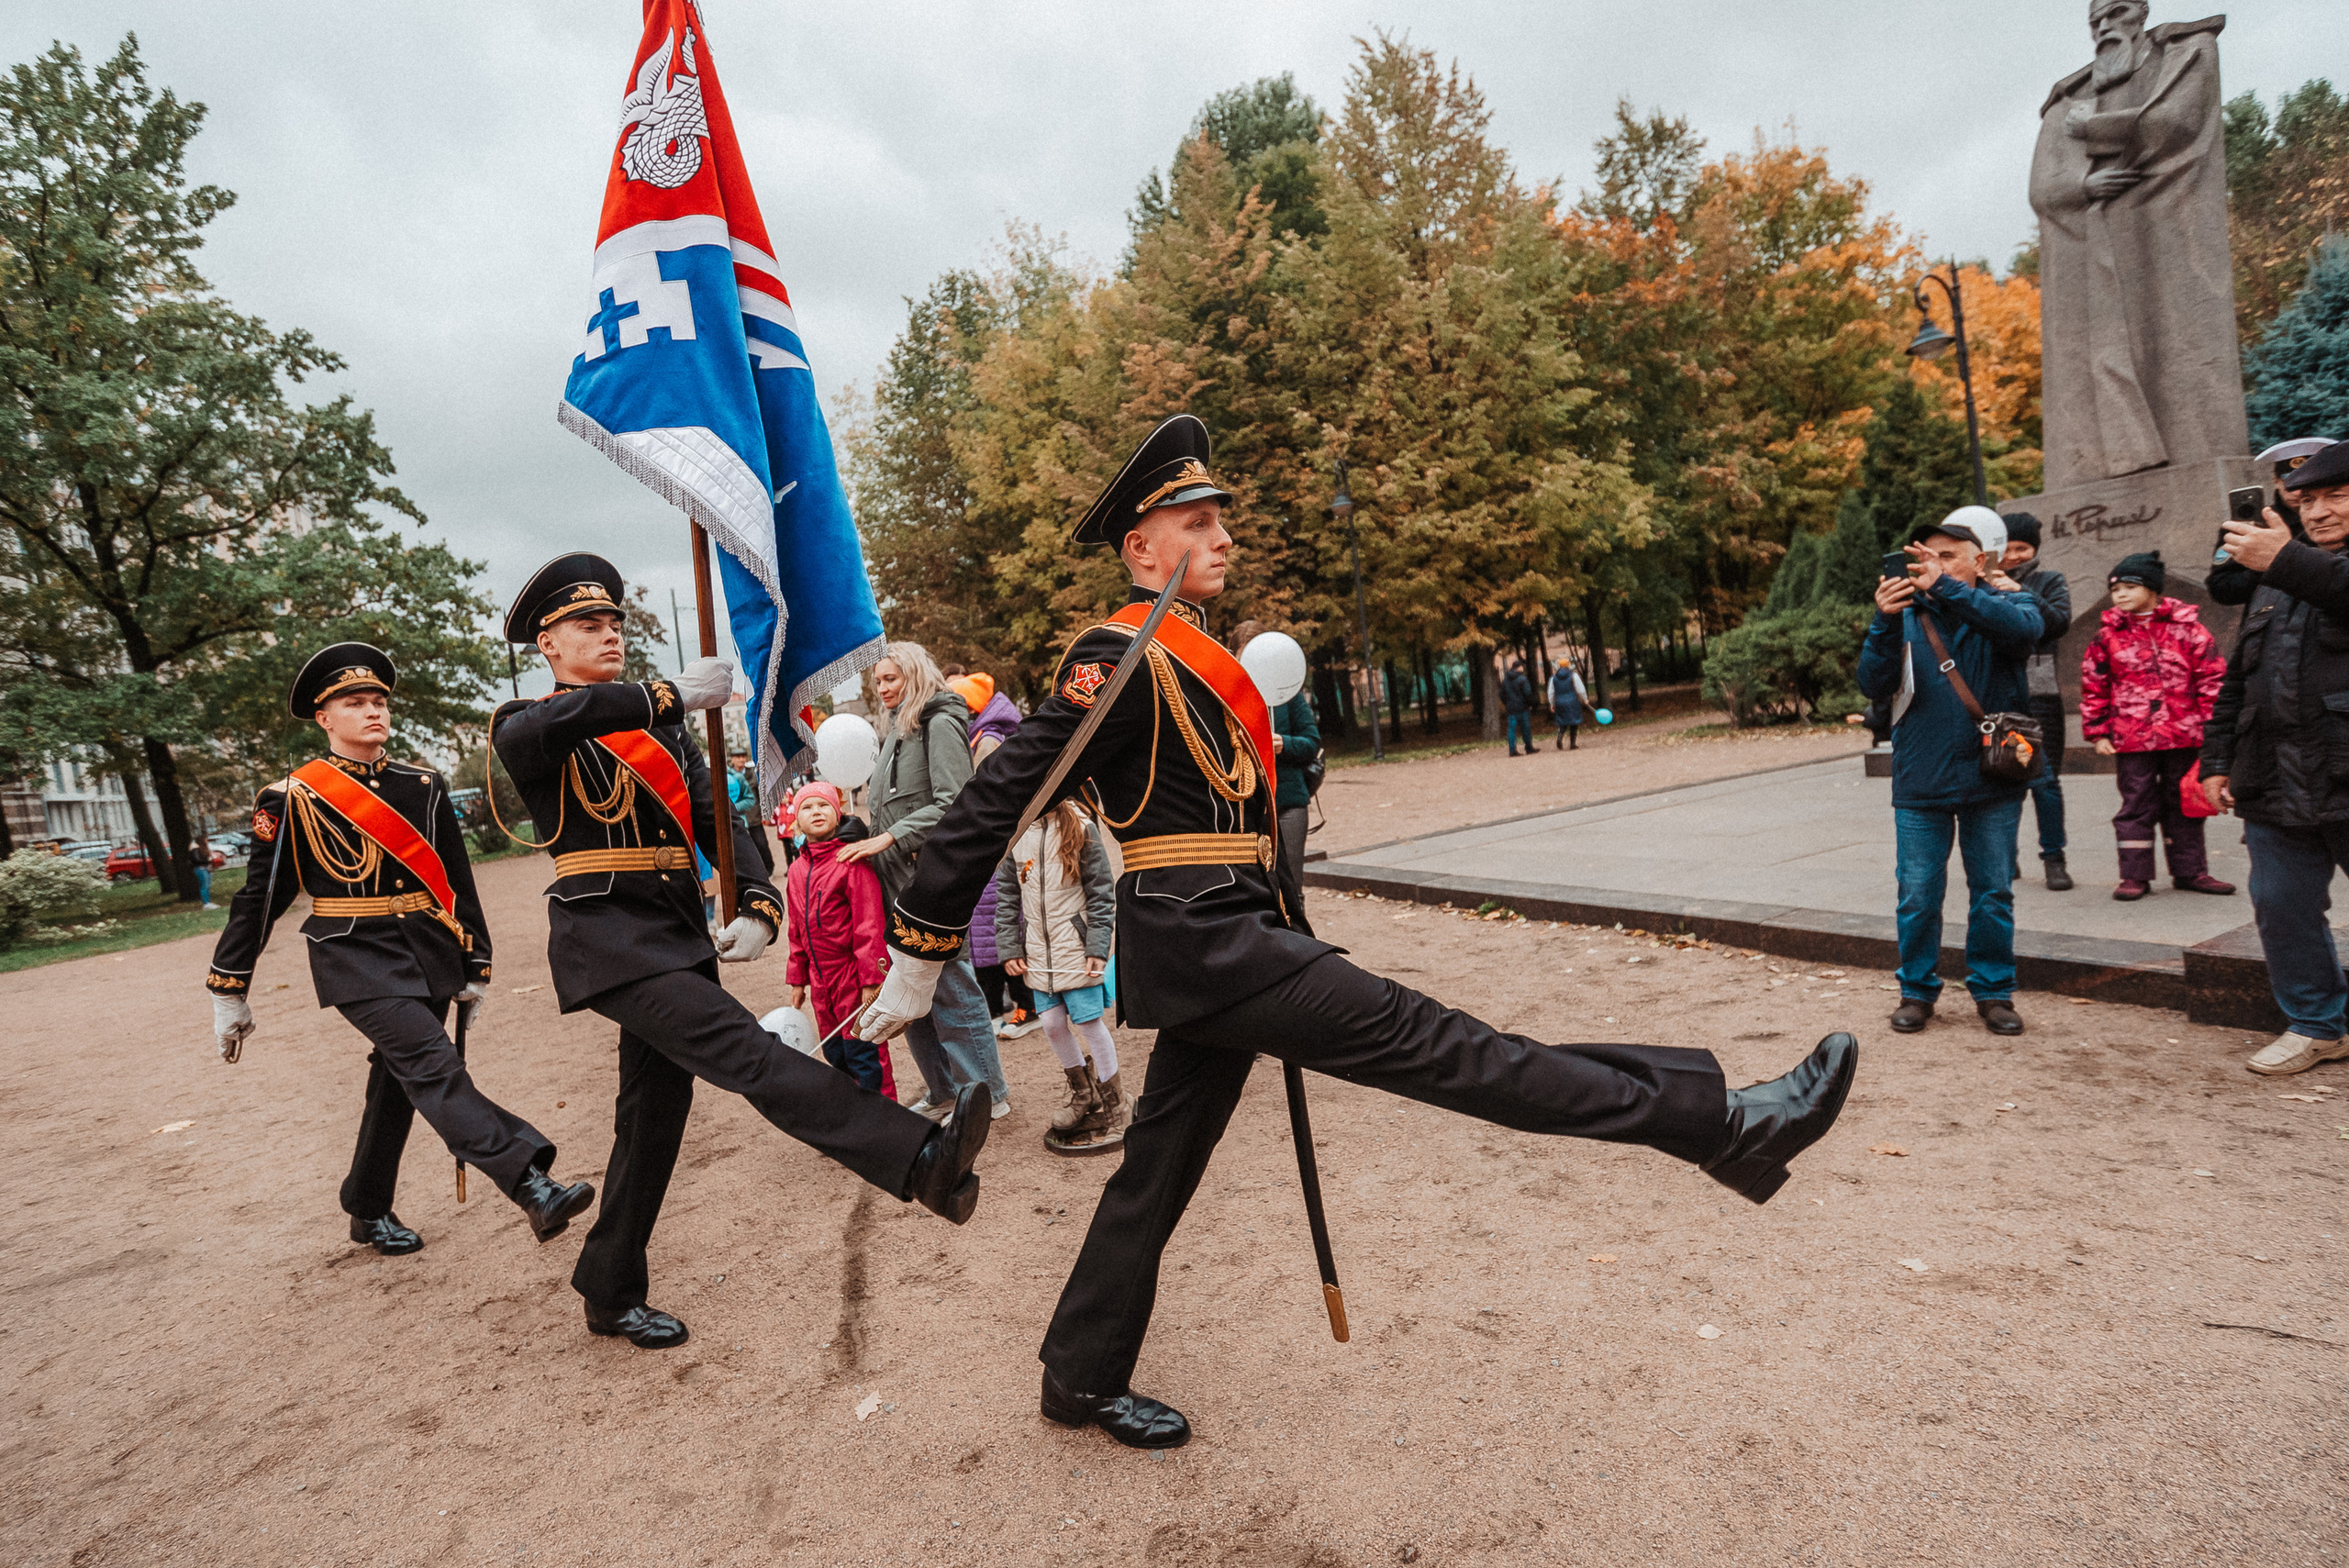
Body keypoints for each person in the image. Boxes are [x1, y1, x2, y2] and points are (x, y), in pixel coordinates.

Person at [854, 416, 1856, 1450]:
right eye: (1196, 522)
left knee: (1155, 1169)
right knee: (1458, 1050)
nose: (1223, 537)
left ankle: (1078, 1373)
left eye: (1221, 520)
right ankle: (1720, 1121)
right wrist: (921, 946)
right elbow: (1002, 795)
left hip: (1228, 939)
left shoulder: (1185, 657)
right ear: (1141, 550)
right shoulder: (1117, 656)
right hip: (1213, 945)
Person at [488, 555, 991, 1349]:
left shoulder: (658, 726)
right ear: (548, 645)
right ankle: (918, 1155)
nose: (610, 634)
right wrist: (667, 693)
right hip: (610, 942)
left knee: (651, 1117)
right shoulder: (527, 721)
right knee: (747, 1055)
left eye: (617, 623)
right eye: (590, 625)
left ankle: (609, 1284)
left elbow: (718, 809)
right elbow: (549, 727)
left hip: (675, 934)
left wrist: (756, 897)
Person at [206, 642, 596, 1256]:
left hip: (427, 950)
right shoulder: (290, 797)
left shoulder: (423, 784)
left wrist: (476, 962)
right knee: (433, 1065)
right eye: (354, 703)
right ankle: (529, 1181)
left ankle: (367, 1205)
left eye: (379, 701)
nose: (372, 711)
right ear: (324, 718)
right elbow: (259, 898)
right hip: (354, 955)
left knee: (398, 1081)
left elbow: (456, 879)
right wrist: (228, 986)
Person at [1857, 517, 2048, 1038]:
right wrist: (1881, 621)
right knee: (1917, 891)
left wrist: (1942, 586)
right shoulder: (1905, 614)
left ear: (1979, 561)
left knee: (1992, 891)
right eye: (1925, 558)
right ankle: (1916, 991)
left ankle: (1993, 991)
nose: (1932, 566)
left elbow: (2024, 634)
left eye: (1946, 557)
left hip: (1994, 777)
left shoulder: (2012, 603)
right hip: (1921, 776)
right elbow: (1872, 684)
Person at [2199, 439, 2349, 1075]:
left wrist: (2285, 559)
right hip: (2275, 779)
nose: (2317, 510)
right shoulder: (2275, 579)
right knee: (2281, 905)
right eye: (2306, 498)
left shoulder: (2292, 568)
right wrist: (2217, 758)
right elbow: (2238, 678)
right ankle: (2317, 1023)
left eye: (2335, 495)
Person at [837, 641, 1011, 1121]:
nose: (882, 688)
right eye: (878, 682)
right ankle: (942, 1090)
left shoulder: (940, 721)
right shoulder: (896, 729)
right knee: (905, 993)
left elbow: (955, 800)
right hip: (893, 884)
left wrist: (891, 836)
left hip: (928, 881)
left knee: (952, 987)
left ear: (913, 674)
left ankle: (986, 1094)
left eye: (890, 679)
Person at [2078, 550, 2233, 901]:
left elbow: (2212, 680)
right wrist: (2098, 731)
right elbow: (2095, 685)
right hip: (2132, 738)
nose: (2121, 595)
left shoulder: (2190, 629)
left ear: (2153, 589)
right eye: (2115, 590)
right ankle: (2134, 875)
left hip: (2184, 733)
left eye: (2130, 587)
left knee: (2185, 803)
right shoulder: (2107, 637)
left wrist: (2214, 729)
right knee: (2137, 803)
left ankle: (2191, 870)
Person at [998, 798, 1123, 1152]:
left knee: (1088, 1023)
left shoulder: (1083, 826)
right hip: (1039, 954)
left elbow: (1101, 895)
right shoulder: (1017, 833)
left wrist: (1097, 948)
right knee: (1052, 1024)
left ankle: (1118, 1106)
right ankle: (1085, 1095)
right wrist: (1010, 948)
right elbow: (1007, 896)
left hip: (1076, 951)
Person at [783, 781, 890, 1095]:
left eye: (823, 805)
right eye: (807, 807)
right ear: (796, 821)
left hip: (852, 980)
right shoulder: (796, 871)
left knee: (867, 1056)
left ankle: (887, 1126)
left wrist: (872, 979)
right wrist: (797, 978)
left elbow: (869, 924)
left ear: (838, 814)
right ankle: (855, 1126)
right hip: (821, 984)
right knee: (836, 1054)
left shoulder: (851, 862)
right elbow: (796, 930)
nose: (816, 811)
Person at [1998, 515, 2076, 889]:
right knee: (2005, 778)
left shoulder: (2049, 581)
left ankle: (2053, 857)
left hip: (2040, 693)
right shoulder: (1979, 584)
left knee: (2045, 782)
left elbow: (2058, 623)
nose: (2013, 556)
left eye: (2022, 548)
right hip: (1998, 694)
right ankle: (2005, 857)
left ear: (2035, 549)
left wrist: (2019, 592)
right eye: (2007, 548)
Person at [1232, 620, 1320, 906]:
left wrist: (1284, 743)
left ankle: (1299, 943)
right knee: (1256, 890)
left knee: (1291, 887)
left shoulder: (1287, 695)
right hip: (1246, 808)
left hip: (1289, 802)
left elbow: (1311, 742)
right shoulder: (1228, 697)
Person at [2210, 438, 2332, 606]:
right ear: (2275, 480)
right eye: (2289, 481)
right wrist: (2265, 565)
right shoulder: (2251, 524)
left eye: (2305, 481)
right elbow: (2221, 589)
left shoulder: (2336, 519)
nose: (2297, 491)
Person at [1549, 660, 1587, 750]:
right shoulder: (1574, 676)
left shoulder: (1553, 678)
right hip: (1572, 701)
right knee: (1574, 722)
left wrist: (1552, 703)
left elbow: (1551, 692)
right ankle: (1572, 744)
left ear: (1558, 666)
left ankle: (1560, 737)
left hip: (1559, 702)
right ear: (1568, 665)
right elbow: (1580, 689)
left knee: (1562, 722)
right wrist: (1585, 699)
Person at [1500, 660, 1536, 756]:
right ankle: (1528, 747)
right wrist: (1530, 704)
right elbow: (1527, 693)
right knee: (1526, 728)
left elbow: (1502, 694)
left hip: (1511, 709)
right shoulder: (1522, 679)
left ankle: (1512, 750)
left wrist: (1507, 704)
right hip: (1523, 708)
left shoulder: (1505, 680)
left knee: (1511, 730)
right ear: (1519, 667)